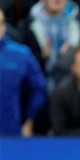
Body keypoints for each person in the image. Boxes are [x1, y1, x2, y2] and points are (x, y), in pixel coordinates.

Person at [0, 8, 47, 137]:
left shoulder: (21, 54)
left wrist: (29, 120)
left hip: (10, 131)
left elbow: (39, 87)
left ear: (4, 26)